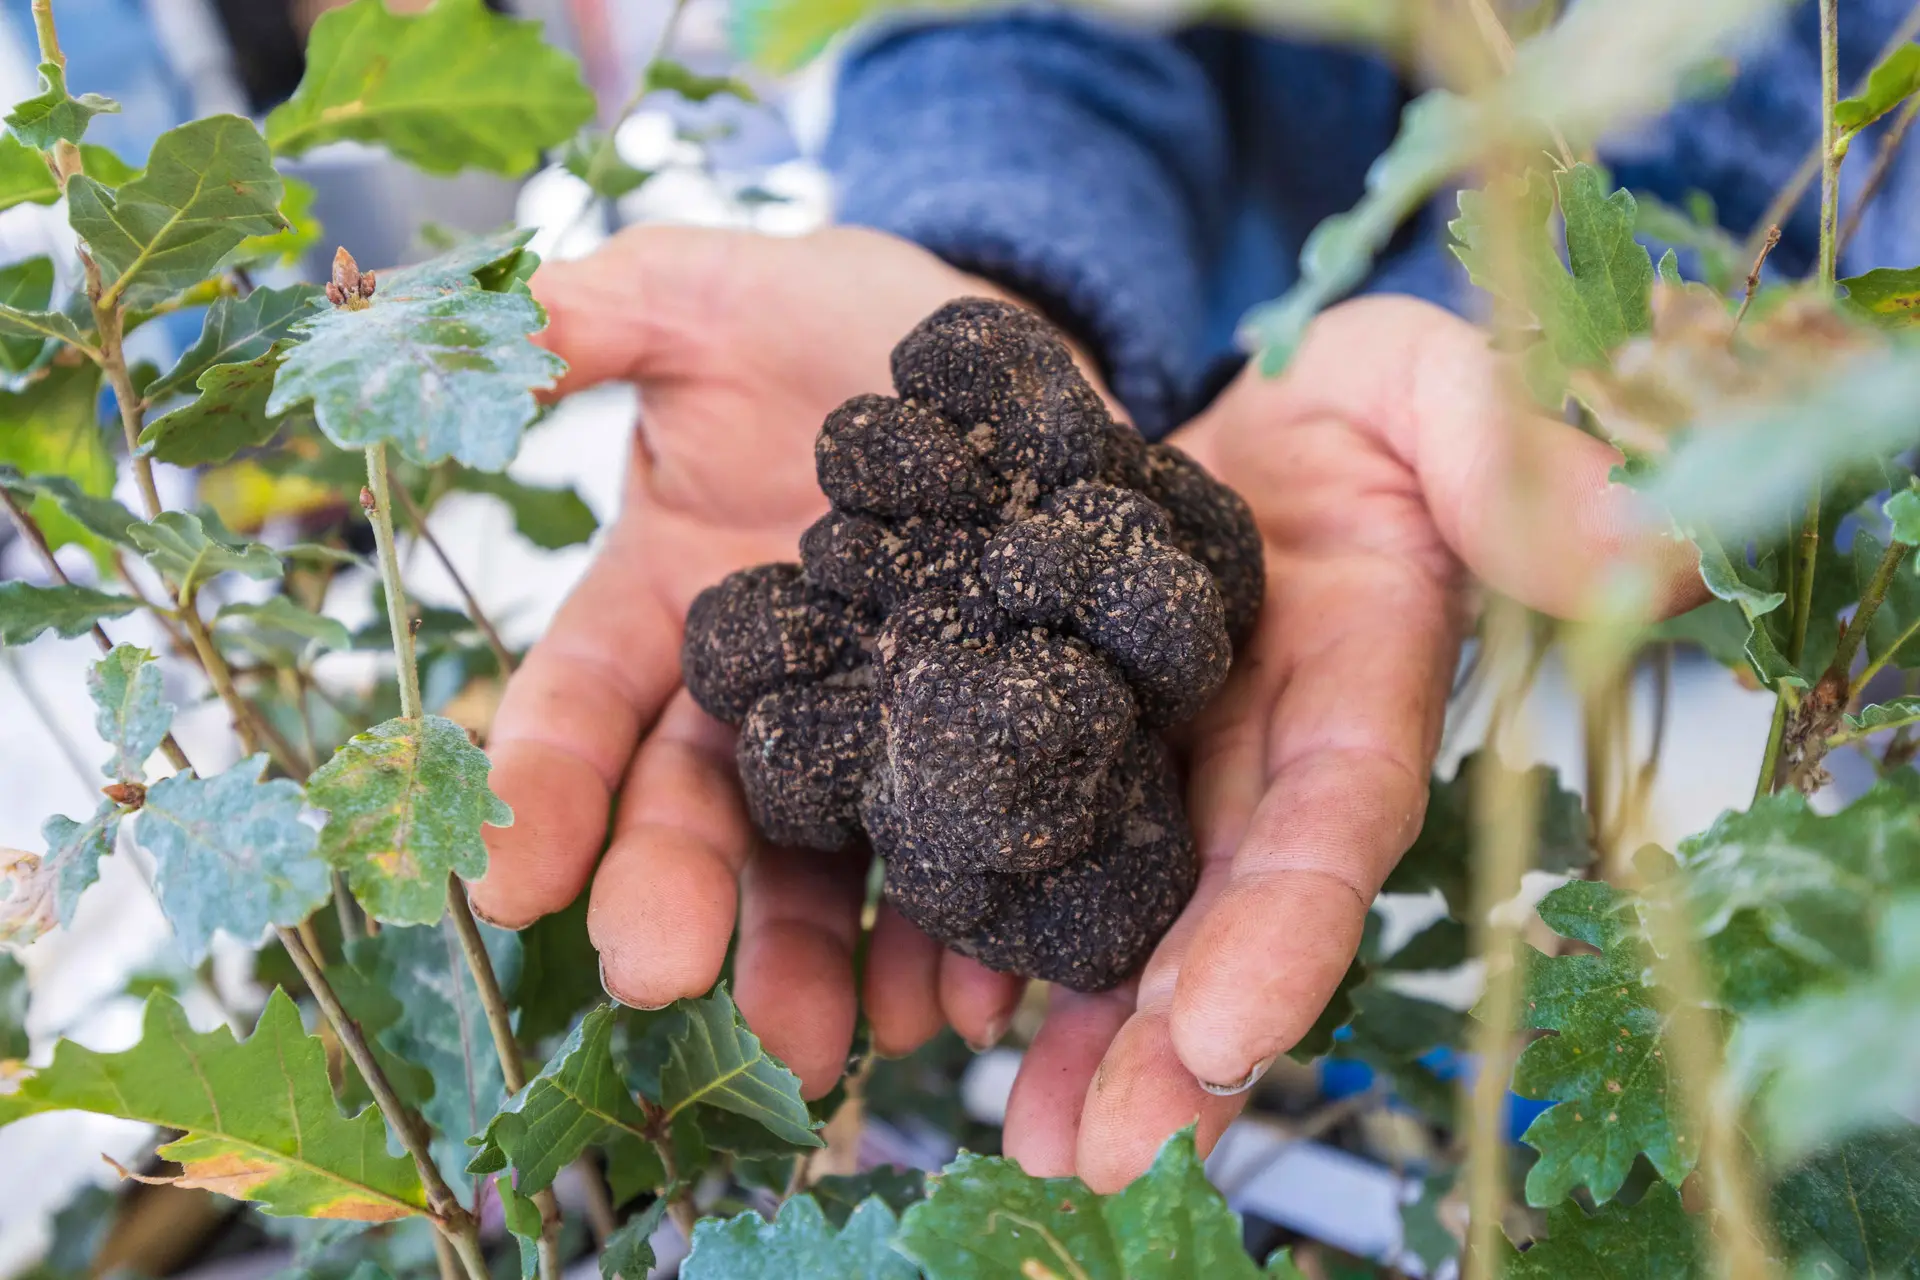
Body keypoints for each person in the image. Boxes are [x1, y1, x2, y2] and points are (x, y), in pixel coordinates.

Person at [468, 6, 1918, 1192]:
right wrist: (1007, 240)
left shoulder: (1087, 595)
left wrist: (1511, 319)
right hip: (1196, 327)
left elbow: (1801, 86)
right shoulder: (937, 621)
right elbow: (1026, 25)